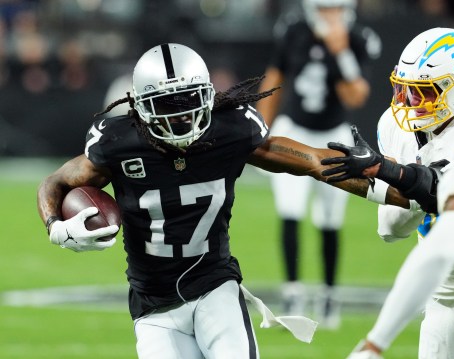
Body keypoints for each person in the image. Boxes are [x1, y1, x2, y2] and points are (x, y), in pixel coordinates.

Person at [36, 43, 405, 359]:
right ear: (139, 106)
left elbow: (315, 163)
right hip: (153, 307)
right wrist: (56, 226)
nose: (180, 116)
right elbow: (55, 182)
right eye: (166, 104)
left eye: (188, 101)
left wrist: (402, 192)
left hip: (215, 288)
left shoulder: (231, 129)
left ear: (208, 95)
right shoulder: (118, 143)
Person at [322, 28, 454, 358]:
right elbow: (391, 228)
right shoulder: (392, 125)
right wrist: (409, 182)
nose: (409, 104)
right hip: (443, 289)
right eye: (405, 90)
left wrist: (392, 173)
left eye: (422, 93)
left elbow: (446, 190)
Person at [256, 0, 381, 328]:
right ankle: (293, 291)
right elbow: (274, 79)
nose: (332, 15)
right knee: (291, 211)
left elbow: (357, 96)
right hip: (293, 130)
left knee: (330, 218)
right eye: (326, 8)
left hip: (334, 135)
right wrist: (258, 131)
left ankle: (328, 295)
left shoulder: (358, 38)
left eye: (337, 8)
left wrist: (340, 53)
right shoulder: (294, 30)